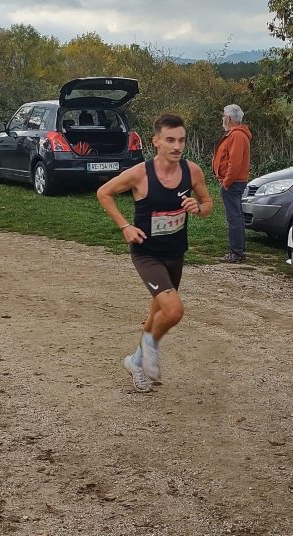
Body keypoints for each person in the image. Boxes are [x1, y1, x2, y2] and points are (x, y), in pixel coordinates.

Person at [97, 113, 213, 391]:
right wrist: (125, 226)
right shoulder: (140, 173)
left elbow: (207, 204)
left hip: (176, 252)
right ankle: (150, 348)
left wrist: (198, 208)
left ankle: (135, 362)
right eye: (170, 140)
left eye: (181, 140)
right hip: (147, 253)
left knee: (157, 312)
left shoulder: (192, 171)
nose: (177, 146)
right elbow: (103, 193)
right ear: (156, 142)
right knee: (173, 311)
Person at [212, 104, 252, 263]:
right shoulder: (236, 134)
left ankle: (237, 252)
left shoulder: (237, 136)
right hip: (234, 182)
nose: (222, 118)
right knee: (236, 216)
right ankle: (238, 251)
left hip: (233, 183)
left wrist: (226, 183)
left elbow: (234, 163)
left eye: (223, 115)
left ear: (228, 118)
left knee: (234, 218)